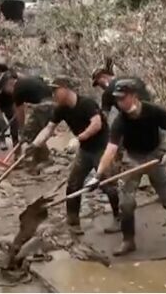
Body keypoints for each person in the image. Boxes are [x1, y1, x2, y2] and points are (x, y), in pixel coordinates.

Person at [87, 78, 166, 256]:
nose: (119, 102)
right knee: (126, 203)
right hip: (133, 158)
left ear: (133, 96)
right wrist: (98, 174)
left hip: (155, 156)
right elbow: (111, 149)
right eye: (117, 99)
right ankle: (128, 241)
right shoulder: (120, 121)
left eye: (123, 98)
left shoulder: (154, 111)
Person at [26, 76, 121, 235]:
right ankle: (73, 221)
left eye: (56, 90)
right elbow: (49, 129)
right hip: (85, 150)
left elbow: (96, 124)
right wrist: (35, 144)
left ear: (66, 88)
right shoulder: (61, 109)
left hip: (101, 149)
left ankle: (119, 217)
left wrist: (78, 139)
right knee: (73, 184)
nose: (53, 94)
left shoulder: (87, 104)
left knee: (108, 184)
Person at [91, 67, 166, 202]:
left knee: (135, 156)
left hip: (136, 126)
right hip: (153, 122)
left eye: (99, 83)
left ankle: (135, 190)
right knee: (163, 155)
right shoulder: (135, 81)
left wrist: (109, 137)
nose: (100, 87)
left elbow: (105, 117)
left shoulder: (109, 93)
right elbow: (150, 99)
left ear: (103, 77)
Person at [0, 71, 53, 168]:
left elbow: (20, 112)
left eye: (5, 89)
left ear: (9, 83)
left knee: (30, 133)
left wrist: (21, 129)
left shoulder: (17, 89)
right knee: (36, 132)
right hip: (50, 103)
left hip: (44, 106)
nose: (7, 93)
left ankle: (44, 158)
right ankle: (40, 158)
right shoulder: (24, 81)